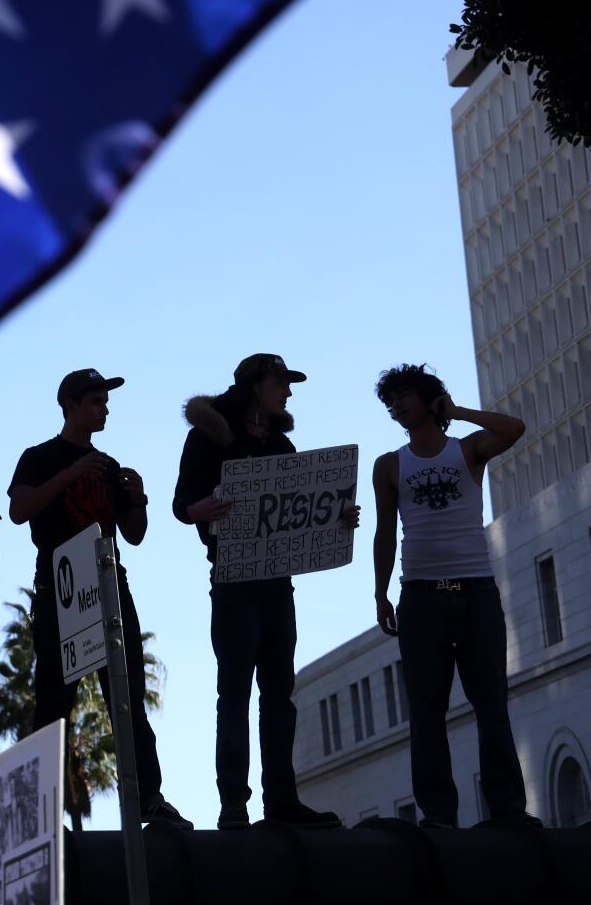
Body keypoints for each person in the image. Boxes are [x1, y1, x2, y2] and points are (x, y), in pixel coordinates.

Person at [172, 353, 357, 829]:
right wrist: (203, 510)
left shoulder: (281, 444)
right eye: (281, 382)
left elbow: (300, 510)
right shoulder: (206, 438)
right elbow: (181, 504)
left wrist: (334, 517)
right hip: (233, 582)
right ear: (256, 386)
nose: (288, 391)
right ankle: (234, 803)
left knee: (279, 692)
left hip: (277, 582)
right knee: (234, 691)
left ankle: (281, 801)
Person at [10, 369, 191, 830]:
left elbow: (134, 534)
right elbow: (18, 510)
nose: (104, 409)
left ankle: (149, 796)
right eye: (95, 401)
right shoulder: (39, 457)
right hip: (61, 590)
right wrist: (69, 474)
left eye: (105, 402)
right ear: (69, 404)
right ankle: (35, 810)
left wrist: (138, 497)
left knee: (126, 693)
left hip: (110, 586)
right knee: (54, 700)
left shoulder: (109, 466)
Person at [370, 364, 540, 829]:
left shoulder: (467, 451)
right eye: (391, 400)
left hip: (476, 592)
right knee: (426, 711)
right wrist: (381, 592)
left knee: (491, 702)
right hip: (420, 597)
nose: (397, 406)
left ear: (429, 400)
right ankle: (439, 813)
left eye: (405, 395)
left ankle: (507, 809)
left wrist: (458, 411)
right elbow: (386, 532)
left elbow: (515, 429)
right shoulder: (389, 465)